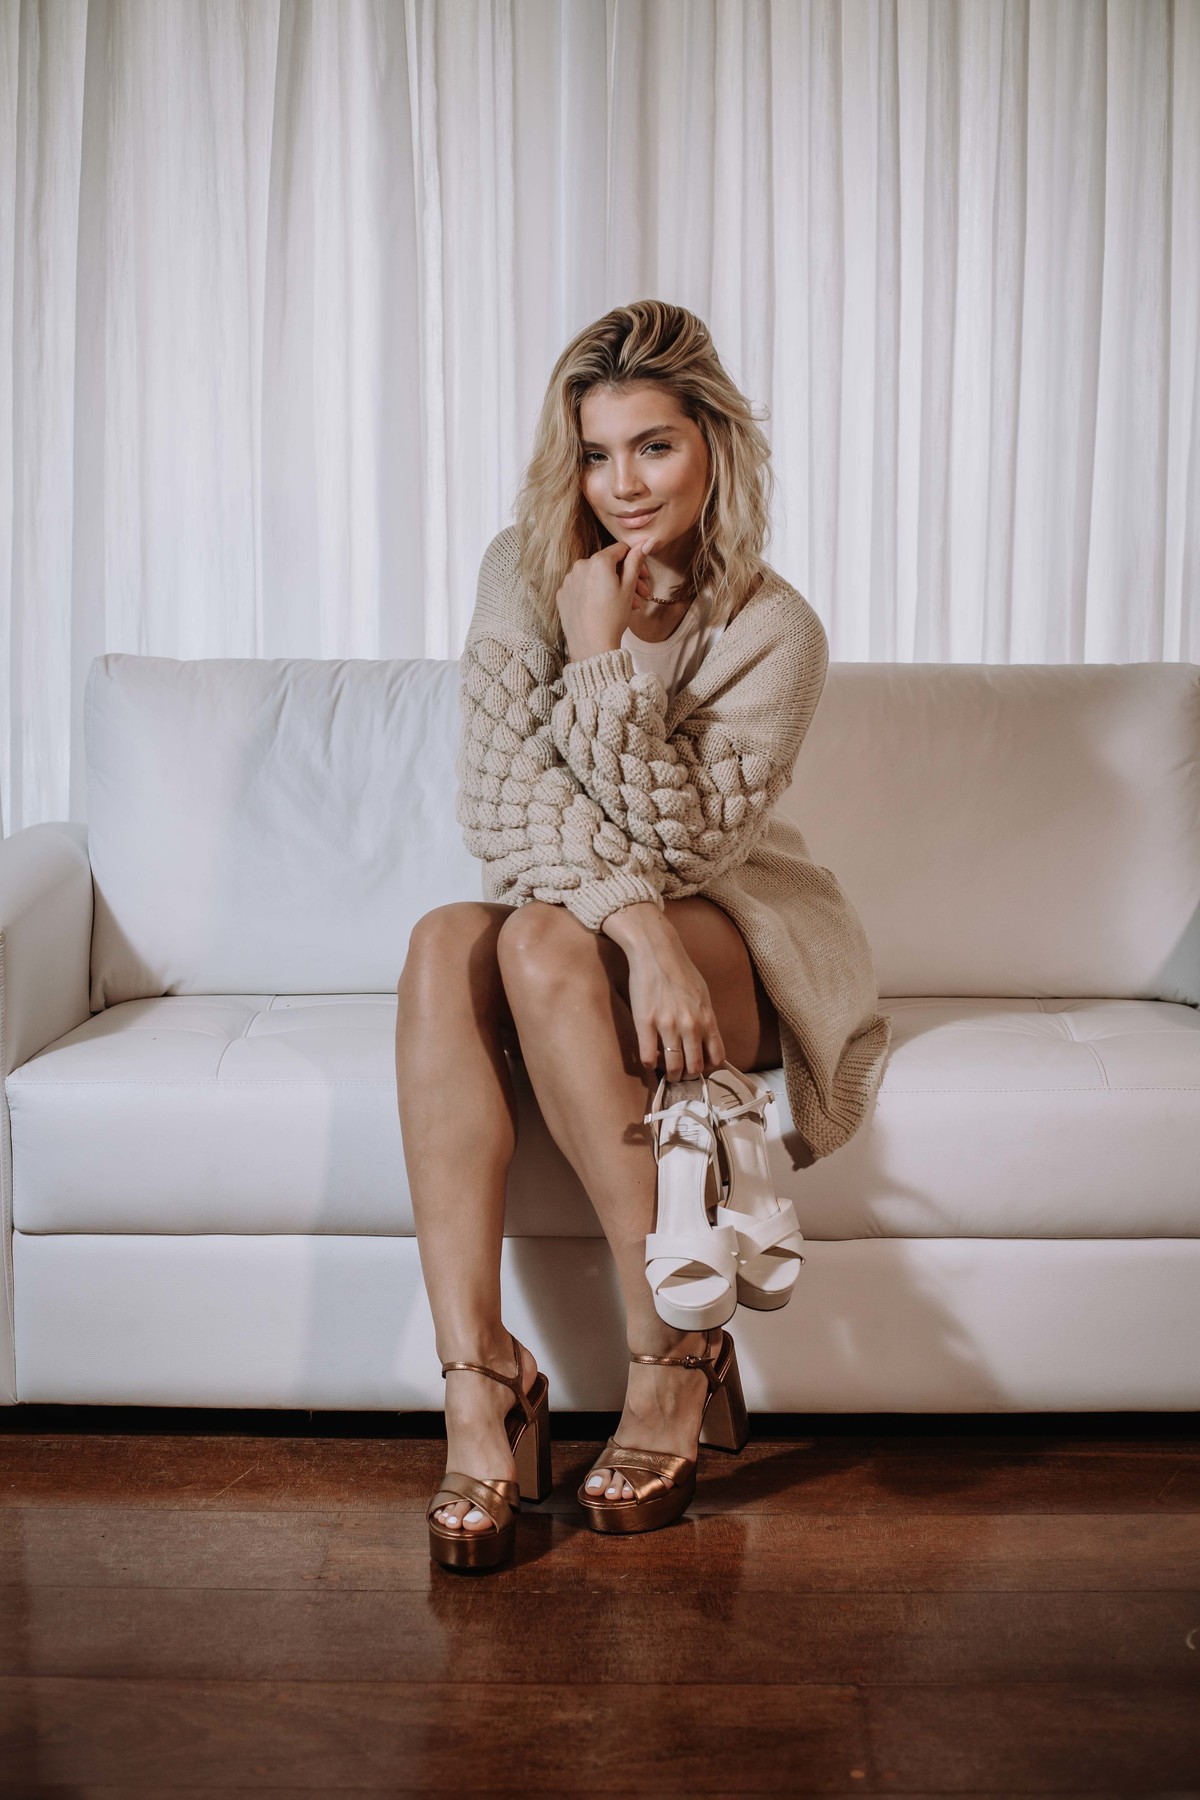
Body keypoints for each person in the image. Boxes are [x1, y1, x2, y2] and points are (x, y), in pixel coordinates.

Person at [395, 299, 891, 1569]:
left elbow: (683, 847)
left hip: (739, 928)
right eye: (598, 454)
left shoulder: (775, 630)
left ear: (715, 443)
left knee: (540, 939)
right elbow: (501, 802)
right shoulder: (523, 570)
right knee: (451, 938)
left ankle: (672, 1348)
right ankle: (478, 1379)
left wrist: (604, 663)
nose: (623, 485)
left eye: (655, 447)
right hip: (595, 925)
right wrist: (635, 931)